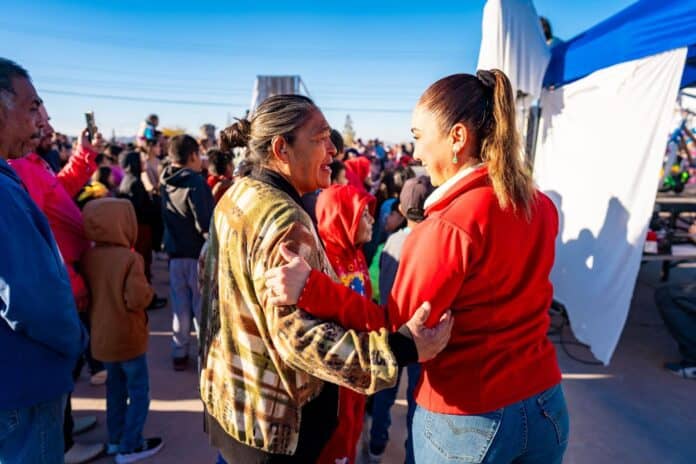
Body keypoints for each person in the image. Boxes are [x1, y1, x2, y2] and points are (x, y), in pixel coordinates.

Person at [265, 70, 569, 464]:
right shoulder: (538, 205)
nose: (417, 153)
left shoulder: (448, 225)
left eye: (420, 136)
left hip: (470, 414)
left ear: (457, 137)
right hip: (545, 402)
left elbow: (397, 327)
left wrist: (312, 288)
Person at [198, 95, 453, 463]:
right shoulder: (285, 219)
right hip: (274, 429)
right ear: (281, 149)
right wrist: (399, 349)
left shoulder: (237, 195)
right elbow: (299, 338)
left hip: (232, 406)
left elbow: (208, 277)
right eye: (320, 139)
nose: (333, 149)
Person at [0, 57, 88, 464]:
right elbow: (30, 299)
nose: (41, 120)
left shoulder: (16, 171)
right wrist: (75, 341)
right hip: (23, 385)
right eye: (33, 107)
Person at [8, 102, 105, 463]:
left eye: (47, 118)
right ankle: (62, 441)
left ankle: (65, 426)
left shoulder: (33, 164)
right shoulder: (19, 169)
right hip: (60, 287)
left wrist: (84, 155)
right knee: (61, 364)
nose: (46, 125)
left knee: (65, 373)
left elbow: (58, 192)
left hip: (68, 280)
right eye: (38, 115)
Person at [81, 198, 163, 463]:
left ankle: (116, 440)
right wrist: (149, 293)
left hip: (102, 338)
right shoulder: (130, 258)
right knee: (138, 392)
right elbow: (137, 298)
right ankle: (131, 445)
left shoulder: (89, 257)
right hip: (128, 338)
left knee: (114, 391)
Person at [367, 176, 433, 464]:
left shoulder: (392, 241)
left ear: (402, 210)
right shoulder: (433, 242)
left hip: (391, 329)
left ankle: (376, 445)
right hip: (420, 335)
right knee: (417, 398)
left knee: (385, 392)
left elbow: (381, 283)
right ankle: (412, 454)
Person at [314, 184, 376, 464]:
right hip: (334, 374)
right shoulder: (322, 260)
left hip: (357, 369)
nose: (371, 219)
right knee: (333, 441)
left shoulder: (356, 254)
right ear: (343, 217)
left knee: (352, 430)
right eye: (364, 214)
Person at [160, 134, 214, 370]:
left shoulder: (165, 180)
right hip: (196, 253)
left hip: (174, 253)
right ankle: (206, 355)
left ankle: (179, 352)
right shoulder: (196, 183)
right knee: (201, 307)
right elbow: (204, 222)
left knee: (180, 305)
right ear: (192, 156)